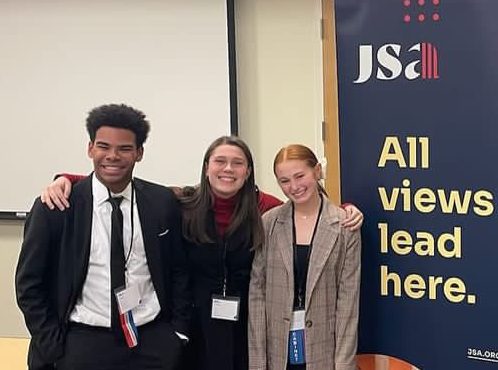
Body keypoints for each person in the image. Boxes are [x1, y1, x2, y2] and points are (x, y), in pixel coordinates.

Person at [38, 137, 364, 370]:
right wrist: (65, 179)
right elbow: (124, 185)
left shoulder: (265, 209)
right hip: (193, 326)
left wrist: (346, 210)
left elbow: (306, 209)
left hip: (244, 326)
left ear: (248, 171)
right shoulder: (181, 202)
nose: (228, 169)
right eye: (220, 161)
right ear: (207, 167)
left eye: (237, 163)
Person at [15, 104, 191, 370]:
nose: (113, 156)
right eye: (103, 146)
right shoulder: (57, 206)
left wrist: (176, 335)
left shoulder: (161, 202)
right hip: (81, 343)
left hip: (152, 342)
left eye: (124, 148)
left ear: (139, 153)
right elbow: (29, 285)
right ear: (90, 149)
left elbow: (179, 271)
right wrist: (52, 346)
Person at [248, 144, 361, 370]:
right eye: (285, 181)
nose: (294, 186)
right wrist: (258, 362)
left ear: (317, 171)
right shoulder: (268, 223)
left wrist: (344, 364)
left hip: (324, 349)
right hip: (277, 350)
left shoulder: (344, 226)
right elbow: (257, 294)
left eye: (300, 176)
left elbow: (348, 302)